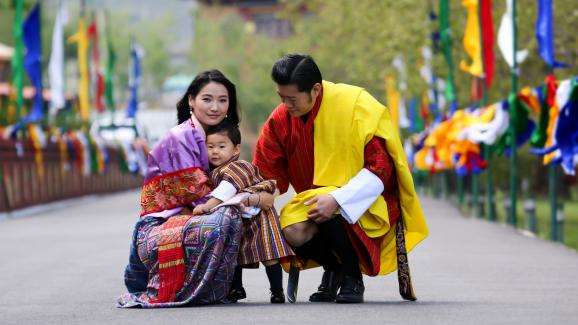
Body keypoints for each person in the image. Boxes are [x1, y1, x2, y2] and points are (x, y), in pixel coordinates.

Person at [253, 54, 428, 304]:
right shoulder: (280, 119)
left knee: (328, 206)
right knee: (290, 230)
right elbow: (267, 176)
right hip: (314, 204)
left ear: (315, 90)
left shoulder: (355, 105)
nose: (286, 105)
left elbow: (381, 168)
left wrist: (338, 198)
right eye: (281, 97)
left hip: (365, 201)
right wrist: (253, 199)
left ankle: (352, 276)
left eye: (292, 99)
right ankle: (335, 267)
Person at [117, 69, 274, 308]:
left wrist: (253, 196)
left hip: (191, 219)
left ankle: (226, 286)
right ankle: (201, 289)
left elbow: (235, 181)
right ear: (192, 100)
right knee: (224, 216)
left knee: (242, 214)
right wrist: (253, 198)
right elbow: (204, 200)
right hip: (161, 226)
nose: (215, 107)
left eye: (223, 100)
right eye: (207, 99)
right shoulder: (181, 138)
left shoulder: (215, 138)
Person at [192, 120, 293, 303]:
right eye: (210, 147)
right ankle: (236, 289)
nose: (215, 151)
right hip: (240, 218)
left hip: (260, 218)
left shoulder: (237, 166)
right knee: (234, 253)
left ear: (236, 149)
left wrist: (207, 206)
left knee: (268, 255)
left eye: (221, 146)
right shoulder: (215, 171)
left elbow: (228, 189)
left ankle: (277, 291)